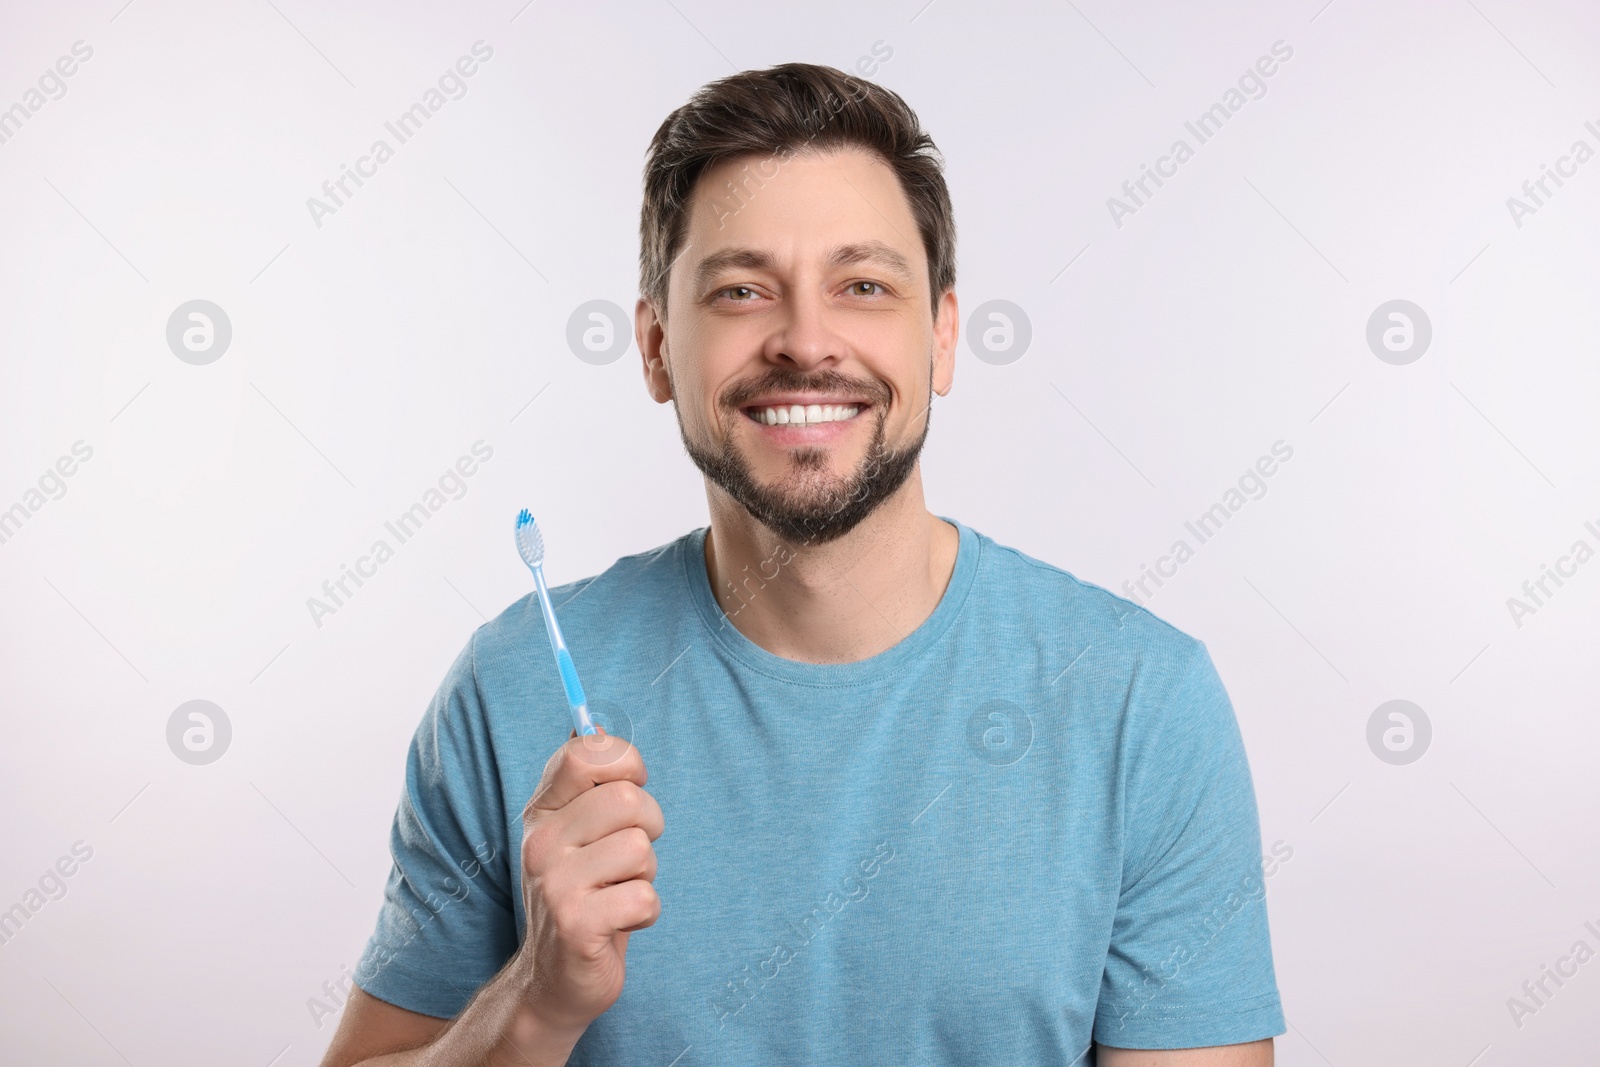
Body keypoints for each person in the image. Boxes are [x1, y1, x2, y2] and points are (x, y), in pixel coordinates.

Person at [319, 62, 1285, 1067]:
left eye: (862, 285)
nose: (806, 341)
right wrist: (536, 1000)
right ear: (655, 347)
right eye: (741, 290)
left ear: (942, 337)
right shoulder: (512, 684)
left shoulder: (1140, 702)